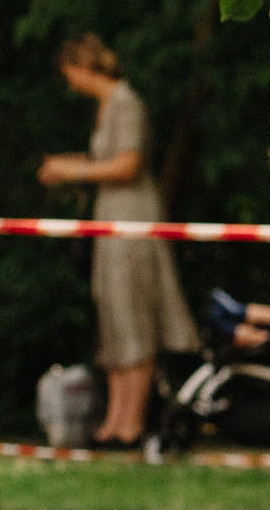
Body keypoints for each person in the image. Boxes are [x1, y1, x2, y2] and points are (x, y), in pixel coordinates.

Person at [38, 34, 198, 445]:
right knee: (112, 315)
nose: (69, 82)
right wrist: (68, 165)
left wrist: (73, 172)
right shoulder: (107, 107)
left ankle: (131, 423)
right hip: (109, 218)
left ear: (82, 66)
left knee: (133, 314)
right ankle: (113, 420)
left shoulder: (126, 102)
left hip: (132, 220)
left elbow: (127, 166)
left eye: (69, 73)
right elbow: (102, 163)